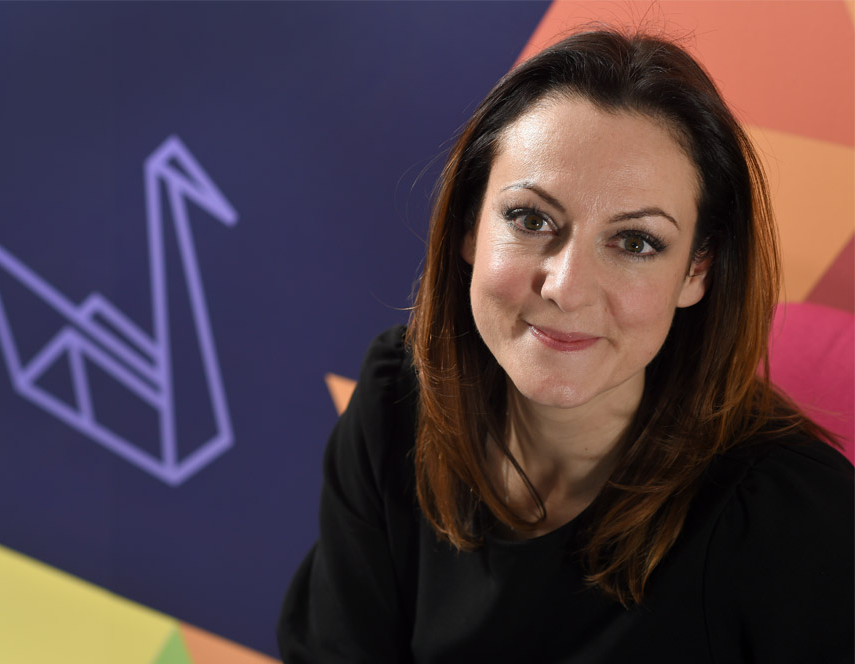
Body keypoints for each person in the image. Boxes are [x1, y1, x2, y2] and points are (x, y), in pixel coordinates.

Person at [278, 29, 854, 663]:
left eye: (635, 242)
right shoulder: (400, 395)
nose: (567, 287)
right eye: (531, 219)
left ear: (697, 271)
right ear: (470, 225)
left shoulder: (797, 520)